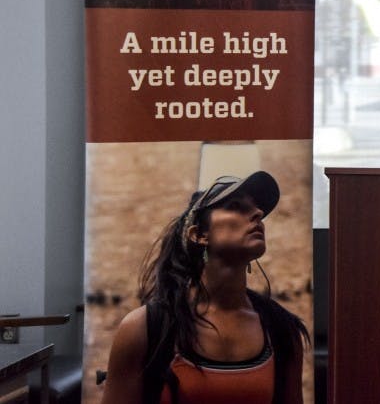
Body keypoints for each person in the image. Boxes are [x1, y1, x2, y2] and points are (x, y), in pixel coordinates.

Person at [100, 171, 308, 404]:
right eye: (236, 206)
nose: (258, 214)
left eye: (258, 210)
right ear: (199, 235)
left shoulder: (282, 330)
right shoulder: (145, 328)